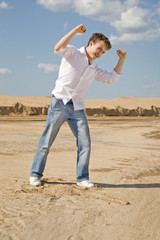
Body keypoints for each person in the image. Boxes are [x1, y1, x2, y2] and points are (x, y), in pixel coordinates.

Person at [30, 24, 127, 187]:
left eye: (103, 52)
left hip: (77, 108)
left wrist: (121, 59)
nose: (100, 54)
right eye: (99, 49)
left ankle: (82, 179)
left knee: (85, 143)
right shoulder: (73, 52)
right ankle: (35, 174)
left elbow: (112, 78)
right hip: (59, 103)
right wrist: (75, 31)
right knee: (47, 141)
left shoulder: (94, 68)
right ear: (90, 43)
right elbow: (57, 47)